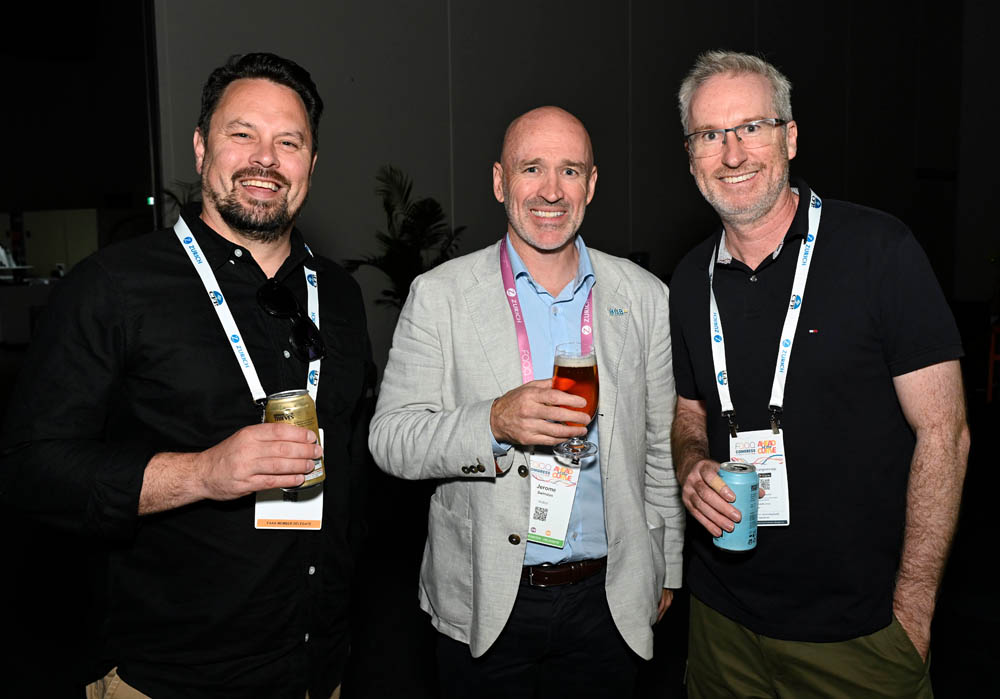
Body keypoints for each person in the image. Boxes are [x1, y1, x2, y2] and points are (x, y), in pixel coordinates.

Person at [0, 53, 373, 699]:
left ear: (311, 164)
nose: (265, 158)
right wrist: (202, 473)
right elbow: (31, 470)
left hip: (318, 667)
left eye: (289, 142)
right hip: (171, 677)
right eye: (242, 133)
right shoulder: (113, 286)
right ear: (201, 147)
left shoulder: (337, 294)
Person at [669, 50, 970, 697]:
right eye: (710, 135)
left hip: (859, 635)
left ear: (791, 137)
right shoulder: (689, 279)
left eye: (752, 127)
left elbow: (945, 433)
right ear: (691, 156)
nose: (732, 153)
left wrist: (913, 613)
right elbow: (690, 409)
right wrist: (691, 464)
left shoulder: (880, 251)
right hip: (722, 626)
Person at [368, 106, 683, 697]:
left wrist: (666, 564)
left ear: (592, 184)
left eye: (570, 171)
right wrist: (493, 422)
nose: (551, 191)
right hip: (486, 598)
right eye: (531, 168)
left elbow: (660, 447)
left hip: (610, 600)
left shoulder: (645, 297)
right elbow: (390, 440)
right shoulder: (440, 296)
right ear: (499, 181)